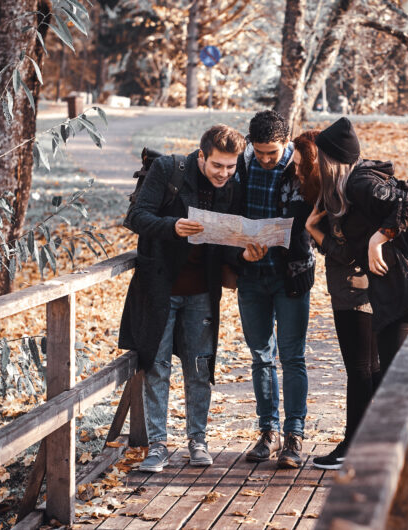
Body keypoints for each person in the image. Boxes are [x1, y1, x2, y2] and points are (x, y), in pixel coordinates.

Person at [118, 124, 266, 473]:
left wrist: (244, 257)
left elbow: (227, 245)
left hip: (202, 292)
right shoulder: (168, 169)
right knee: (156, 365)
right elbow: (136, 217)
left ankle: (197, 441)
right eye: (218, 166)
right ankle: (157, 445)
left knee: (200, 367)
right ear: (202, 156)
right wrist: (173, 227)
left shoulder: (233, 188)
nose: (224, 174)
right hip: (159, 290)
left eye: (231, 167)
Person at [226, 110, 315, 469]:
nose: (265, 159)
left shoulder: (302, 167)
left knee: (293, 357)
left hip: (291, 276)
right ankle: (268, 432)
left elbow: (312, 219)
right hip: (251, 275)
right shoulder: (241, 166)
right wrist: (240, 252)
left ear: (286, 142)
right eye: (259, 151)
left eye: (272, 152)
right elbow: (229, 218)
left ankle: (294, 435)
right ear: (251, 144)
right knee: (261, 356)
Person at [314, 117, 408, 377]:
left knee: (396, 381)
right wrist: (315, 231)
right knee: (391, 378)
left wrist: (377, 239)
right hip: (391, 293)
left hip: (402, 293)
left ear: (331, 158)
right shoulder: (353, 185)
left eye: (320, 156)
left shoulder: (360, 183)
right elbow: (350, 253)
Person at [294, 131, 380, 470]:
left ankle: (352, 445)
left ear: (321, 163)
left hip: (356, 292)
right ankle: (367, 441)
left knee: (360, 369)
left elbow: (348, 252)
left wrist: (315, 232)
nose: (298, 173)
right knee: (370, 368)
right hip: (361, 290)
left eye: (302, 168)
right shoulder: (339, 189)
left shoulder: (345, 193)